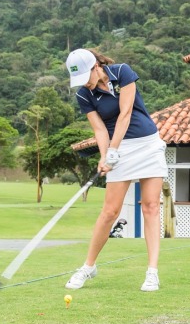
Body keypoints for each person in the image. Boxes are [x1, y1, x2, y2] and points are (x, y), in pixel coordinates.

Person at [64, 48, 168, 291]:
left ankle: (152, 272)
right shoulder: (84, 96)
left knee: (150, 206)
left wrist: (114, 149)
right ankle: (88, 267)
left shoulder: (122, 72)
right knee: (109, 211)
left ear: (96, 66)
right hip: (117, 148)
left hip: (147, 144)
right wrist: (105, 156)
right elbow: (100, 130)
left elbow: (126, 114)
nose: (85, 84)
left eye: (86, 77)